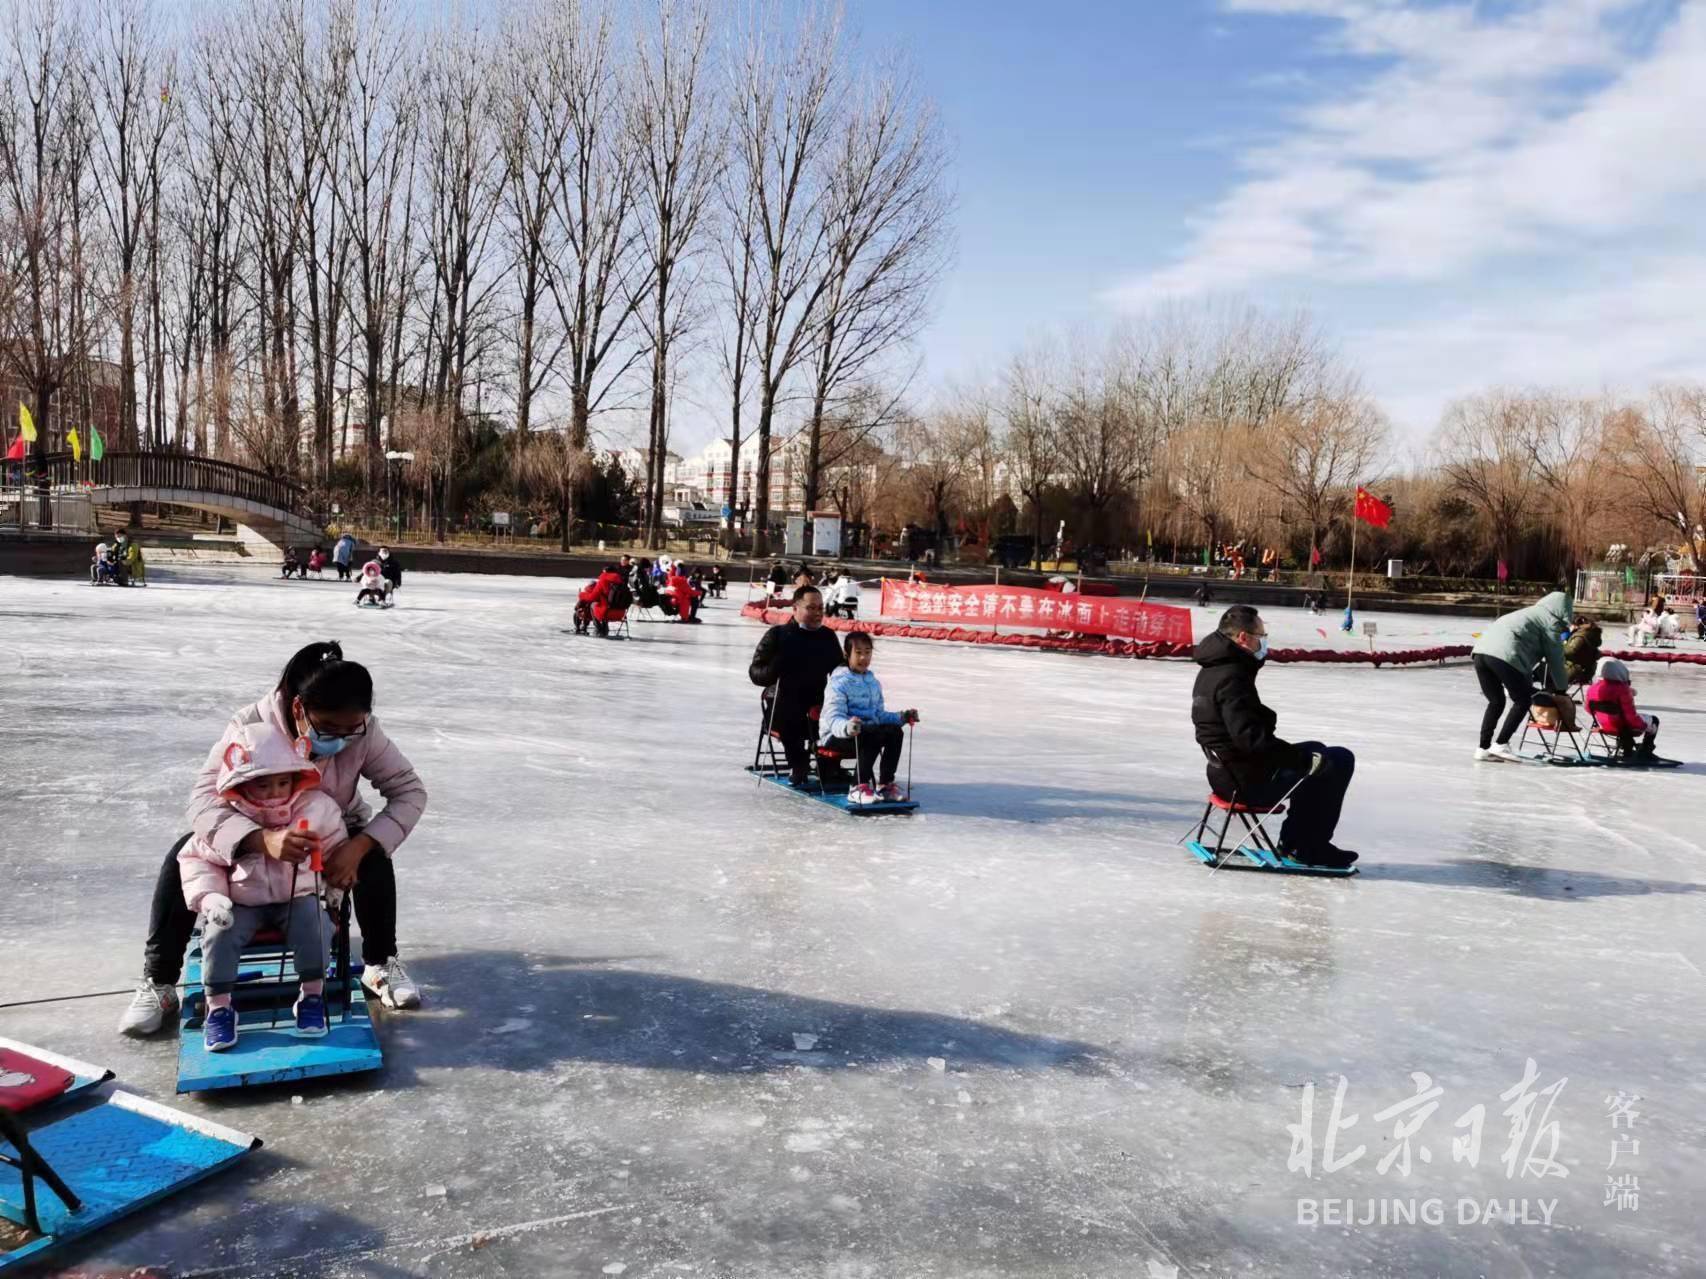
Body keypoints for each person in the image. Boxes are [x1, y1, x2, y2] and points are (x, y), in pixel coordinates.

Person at [119, 640, 428, 1036]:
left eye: (353, 730)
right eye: (329, 729)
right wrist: (259, 839)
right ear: (299, 709)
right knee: (182, 854)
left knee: (374, 857)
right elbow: (202, 800)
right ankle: (160, 981)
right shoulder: (249, 724)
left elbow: (409, 791)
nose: (342, 740)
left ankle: (380, 962)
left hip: (329, 832)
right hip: (254, 829)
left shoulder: (362, 732)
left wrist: (358, 846)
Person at [178, 723, 347, 1049]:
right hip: (241, 903)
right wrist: (211, 897)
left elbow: (335, 848)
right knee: (217, 934)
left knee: (316, 923)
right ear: (242, 784)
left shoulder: (317, 809)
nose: (275, 792)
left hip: (296, 897)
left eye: (283, 782)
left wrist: (334, 887)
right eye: (263, 785)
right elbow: (197, 859)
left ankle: (311, 996)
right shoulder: (230, 817)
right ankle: (220, 1008)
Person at [1191, 605, 1358, 869]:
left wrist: (1303, 757)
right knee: (1338, 760)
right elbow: (1251, 739)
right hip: (1244, 781)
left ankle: (1298, 842)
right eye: (1261, 635)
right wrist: (1301, 760)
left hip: (1226, 771)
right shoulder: (1232, 677)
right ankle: (1307, 848)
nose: (1264, 641)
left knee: (1318, 750)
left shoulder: (1215, 668)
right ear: (1243, 638)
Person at [749, 585, 847, 787]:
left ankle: (828, 762)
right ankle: (798, 763)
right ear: (795, 608)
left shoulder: (827, 637)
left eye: (820, 608)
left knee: (842, 710)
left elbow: (840, 673)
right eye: (811, 608)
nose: (818, 613)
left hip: (817, 703)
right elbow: (756, 673)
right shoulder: (778, 635)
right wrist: (776, 664)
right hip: (783, 702)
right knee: (789, 710)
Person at [1470, 590, 1571, 762]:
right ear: (1564, 611)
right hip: (1504, 656)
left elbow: (1523, 651)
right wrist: (1561, 688)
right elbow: (1555, 658)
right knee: (1523, 700)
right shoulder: (1550, 622)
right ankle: (1501, 744)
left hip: (1480, 653)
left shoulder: (1529, 613)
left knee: (1496, 701)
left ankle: (1483, 748)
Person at [820, 632, 918, 805]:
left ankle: (885, 785)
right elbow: (833, 717)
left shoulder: (872, 682)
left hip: (866, 732)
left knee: (894, 732)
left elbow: (878, 715)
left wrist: (901, 717)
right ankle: (857, 787)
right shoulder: (839, 682)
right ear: (847, 654)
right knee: (870, 734)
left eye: (868, 652)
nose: (864, 657)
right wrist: (847, 726)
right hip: (836, 736)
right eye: (858, 652)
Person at [1586, 658, 1660, 758]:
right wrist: (1644, 726)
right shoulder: (1623, 690)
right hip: (1623, 727)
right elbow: (1630, 716)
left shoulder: (1592, 688)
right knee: (1654, 720)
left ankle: (1625, 746)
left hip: (1603, 725)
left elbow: (1589, 710)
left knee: (1619, 719)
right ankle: (1645, 750)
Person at [575, 565, 631, 637]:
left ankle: (599, 628)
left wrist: (581, 595)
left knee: (593, 604)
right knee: (604, 604)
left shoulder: (603, 581)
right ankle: (604, 627)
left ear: (605, 572)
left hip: (606, 613)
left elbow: (592, 597)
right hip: (621, 613)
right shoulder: (621, 582)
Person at [1563, 616, 1603, 687]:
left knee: (1544, 672)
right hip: (1587, 672)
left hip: (1572, 671)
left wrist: (1559, 647)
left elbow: (1571, 651)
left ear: (1575, 625)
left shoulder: (1580, 637)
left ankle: (1552, 693)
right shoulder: (1591, 636)